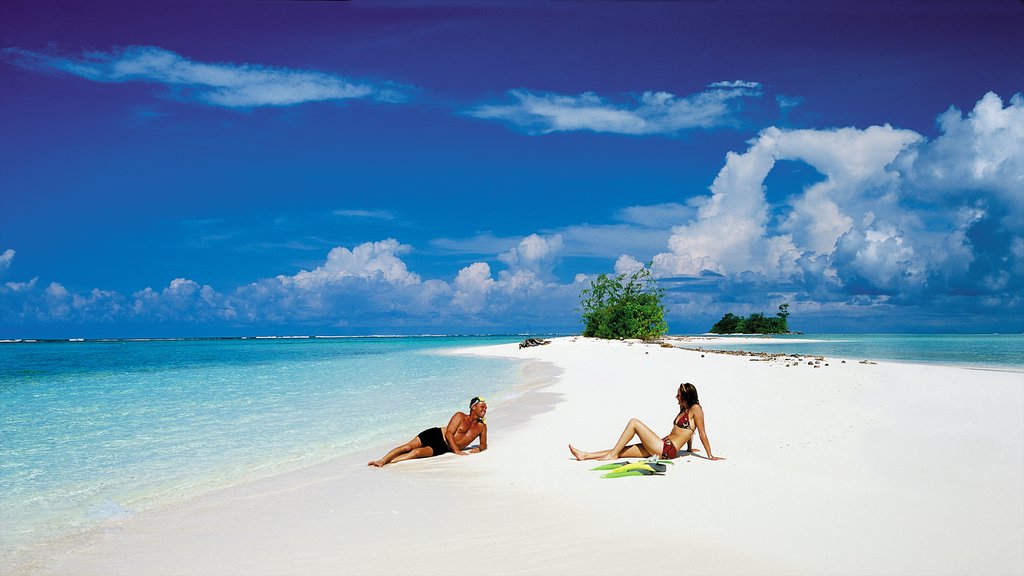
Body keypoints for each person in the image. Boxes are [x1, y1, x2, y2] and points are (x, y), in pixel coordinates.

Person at [568, 383, 725, 462]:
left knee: (634, 422)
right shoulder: (684, 410)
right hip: (662, 444)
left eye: (678, 395)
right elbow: (688, 431)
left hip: (666, 449)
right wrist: (689, 448)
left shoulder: (696, 409)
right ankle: (585, 455)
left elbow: (701, 431)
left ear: (685, 397)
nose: (676, 397)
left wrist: (710, 455)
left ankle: (612, 454)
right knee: (621, 450)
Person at [368, 397, 488, 467]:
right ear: (473, 407)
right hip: (436, 435)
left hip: (443, 447)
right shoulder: (460, 416)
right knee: (407, 447)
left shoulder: (482, 426)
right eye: (482, 407)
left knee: (416, 453)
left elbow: (483, 444)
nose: (485, 409)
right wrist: (457, 451)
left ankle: (389, 463)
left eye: (486, 407)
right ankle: (382, 460)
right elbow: (449, 434)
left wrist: (478, 449)